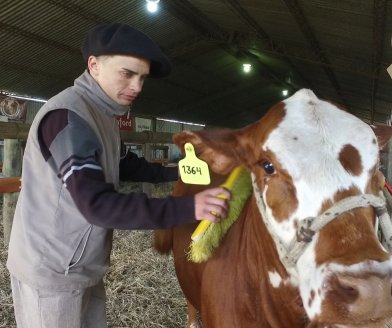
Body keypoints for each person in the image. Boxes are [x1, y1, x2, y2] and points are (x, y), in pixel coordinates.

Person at [7, 23, 230, 328]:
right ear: (94, 65)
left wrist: (183, 171)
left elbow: (128, 165)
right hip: (52, 269)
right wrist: (188, 209)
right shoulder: (68, 118)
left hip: (81, 261)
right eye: (127, 73)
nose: (137, 86)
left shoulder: (103, 115)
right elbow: (97, 205)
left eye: (142, 77)